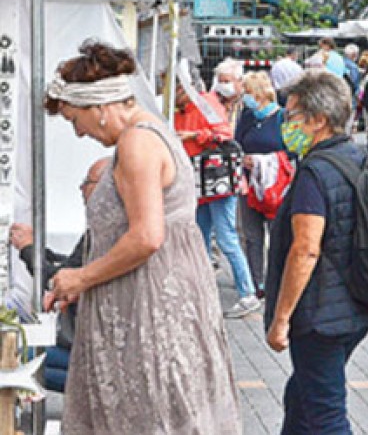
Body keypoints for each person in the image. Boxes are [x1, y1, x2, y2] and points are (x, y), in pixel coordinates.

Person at [43, 40, 240, 433]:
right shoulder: (150, 134)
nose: (78, 133)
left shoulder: (138, 143)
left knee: (149, 416)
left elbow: (147, 236)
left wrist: (82, 276)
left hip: (149, 310)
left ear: (99, 108)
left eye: (73, 119)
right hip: (152, 300)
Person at [265, 70, 368, 434]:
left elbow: (305, 249)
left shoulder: (314, 172)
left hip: (320, 313)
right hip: (357, 302)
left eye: (290, 116)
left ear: (318, 120)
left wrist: (281, 318)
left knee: (325, 415)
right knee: (303, 397)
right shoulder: (359, 158)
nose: (285, 125)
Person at [10, 157, 110, 392]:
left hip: (91, 353)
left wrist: (28, 249)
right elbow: (70, 267)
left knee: (21, 356)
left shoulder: (106, 236)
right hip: (84, 346)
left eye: (88, 182)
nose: (81, 189)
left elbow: (60, 280)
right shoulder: (99, 231)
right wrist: (36, 248)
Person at [174, 79, 261, 318]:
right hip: (202, 183)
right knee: (200, 237)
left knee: (225, 237)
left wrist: (193, 135)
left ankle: (248, 293)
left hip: (217, 181)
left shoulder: (205, 104)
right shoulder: (181, 109)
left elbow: (224, 134)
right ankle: (203, 291)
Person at [235, 72, 290, 300]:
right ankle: (255, 280)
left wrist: (264, 160)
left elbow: (291, 150)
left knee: (276, 233)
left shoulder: (281, 118)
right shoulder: (247, 116)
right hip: (249, 183)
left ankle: (277, 280)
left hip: (274, 184)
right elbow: (237, 143)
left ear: (257, 93)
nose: (243, 97)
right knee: (251, 235)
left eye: (247, 92)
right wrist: (244, 159)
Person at [211, 57, 245, 132]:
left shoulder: (247, 103)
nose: (223, 85)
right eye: (220, 82)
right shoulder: (214, 102)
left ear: (240, 81)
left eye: (227, 82)